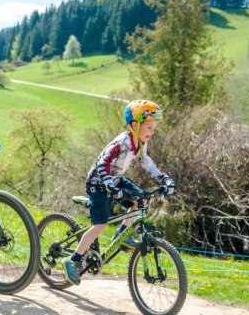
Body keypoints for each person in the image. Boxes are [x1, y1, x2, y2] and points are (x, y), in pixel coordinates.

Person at [62, 99, 175, 285]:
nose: (152, 132)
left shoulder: (139, 142)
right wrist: (109, 185)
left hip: (114, 180)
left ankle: (122, 235)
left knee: (140, 200)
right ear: (134, 125)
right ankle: (73, 260)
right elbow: (102, 163)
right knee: (100, 226)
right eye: (149, 127)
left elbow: (147, 162)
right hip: (98, 182)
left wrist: (164, 179)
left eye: (154, 128)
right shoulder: (122, 142)